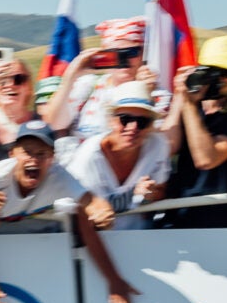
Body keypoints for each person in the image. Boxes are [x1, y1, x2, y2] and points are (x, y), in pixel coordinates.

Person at [0, 121, 135, 303]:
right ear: (12, 153)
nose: (34, 159)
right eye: (27, 152)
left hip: (20, 251)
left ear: (52, 158)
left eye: (41, 153)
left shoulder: (60, 176)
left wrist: (103, 213)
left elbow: (92, 204)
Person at [159, 35, 227, 228]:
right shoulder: (191, 101)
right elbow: (167, 148)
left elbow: (206, 159)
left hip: (221, 215)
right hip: (179, 210)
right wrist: (180, 96)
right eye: (211, 71)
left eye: (226, 73)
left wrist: (189, 106)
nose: (218, 79)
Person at [66, 81, 170, 230]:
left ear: (150, 126)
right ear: (111, 120)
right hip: (95, 237)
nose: (133, 127)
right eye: (125, 119)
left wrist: (151, 195)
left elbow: (161, 191)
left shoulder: (158, 145)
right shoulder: (87, 157)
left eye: (142, 122)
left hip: (141, 236)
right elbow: (77, 211)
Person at [43, 17, 158, 138]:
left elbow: (159, 139)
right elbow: (55, 124)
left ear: (143, 54)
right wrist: (71, 75)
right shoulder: (88, 85)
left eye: (131, 53)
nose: (124, 60)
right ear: (105, 55)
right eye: (115, 54)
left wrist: (143, 92)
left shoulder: (154, 90)